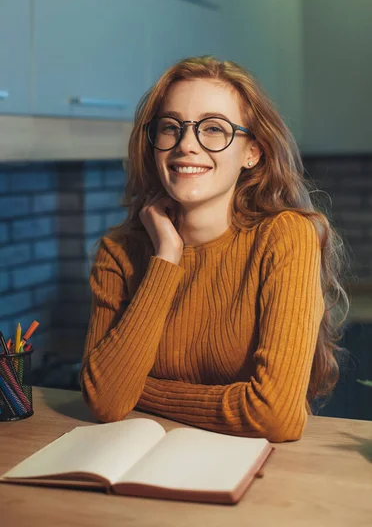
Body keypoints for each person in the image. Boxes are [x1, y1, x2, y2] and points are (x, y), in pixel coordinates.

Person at [80, 56, 348, 443]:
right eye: (171, 127)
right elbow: (103, 402)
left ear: (252, 152)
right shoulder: (118, 252)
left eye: (214, 129)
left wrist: (139, 388)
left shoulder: (287, 236)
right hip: (147, 463)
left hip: (258, 476)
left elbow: (275, 417)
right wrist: (166, 256)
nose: (186, 145)